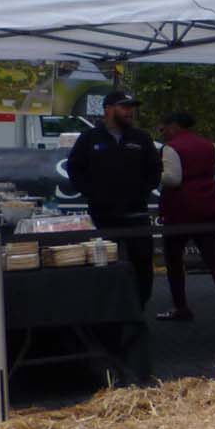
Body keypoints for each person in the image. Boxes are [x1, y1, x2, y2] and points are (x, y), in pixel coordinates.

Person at [66, 89, 161, 305]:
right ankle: (106, 309)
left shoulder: (141, 137)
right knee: (104, 263)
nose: (130, 112)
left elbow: (155, 169)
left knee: (142, 263)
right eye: (124, 107)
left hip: (136, 213)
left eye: (131, 108)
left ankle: (139, 307)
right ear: (108, 109)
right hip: (103, 215)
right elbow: (74, 168)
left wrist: (142, 191)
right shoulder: (89, 138)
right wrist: (92, 192)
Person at [156, 111, 215, 323]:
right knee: (213, 257)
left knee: (174, 258)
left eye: (163, 128)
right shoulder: (207, 145)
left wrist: (151, 173)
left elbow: (173, 179)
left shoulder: (171, 147)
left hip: (179, 211)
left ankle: (181, 307)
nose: (162, 133)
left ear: (174, 126)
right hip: (208, 208)